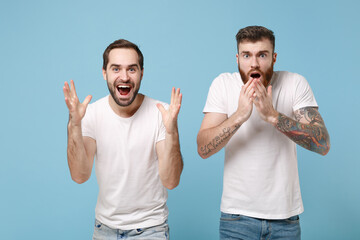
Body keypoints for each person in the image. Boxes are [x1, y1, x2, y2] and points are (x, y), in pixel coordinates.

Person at [197, 26, 330, 240]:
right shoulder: (222, 84)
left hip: (285, 220)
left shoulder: (295, 83)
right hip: (236, 219)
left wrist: (273, 116)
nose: (254, 63)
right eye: (246, 55)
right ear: (237, 58)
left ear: (274, 58)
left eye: (262, 55)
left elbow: (323, 144)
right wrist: (239, 115)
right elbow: (203, 148)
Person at [63, 39, 183, 240]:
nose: (124, 77)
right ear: (105, 73)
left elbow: (171, 181)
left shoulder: (161, 114)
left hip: (150, 229)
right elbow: (80, 175)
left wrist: (172, 133)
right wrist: (74, 125)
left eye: (132, 69)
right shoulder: (91, 114)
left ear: (142, 73)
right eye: (116, 69)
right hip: (104, 229)